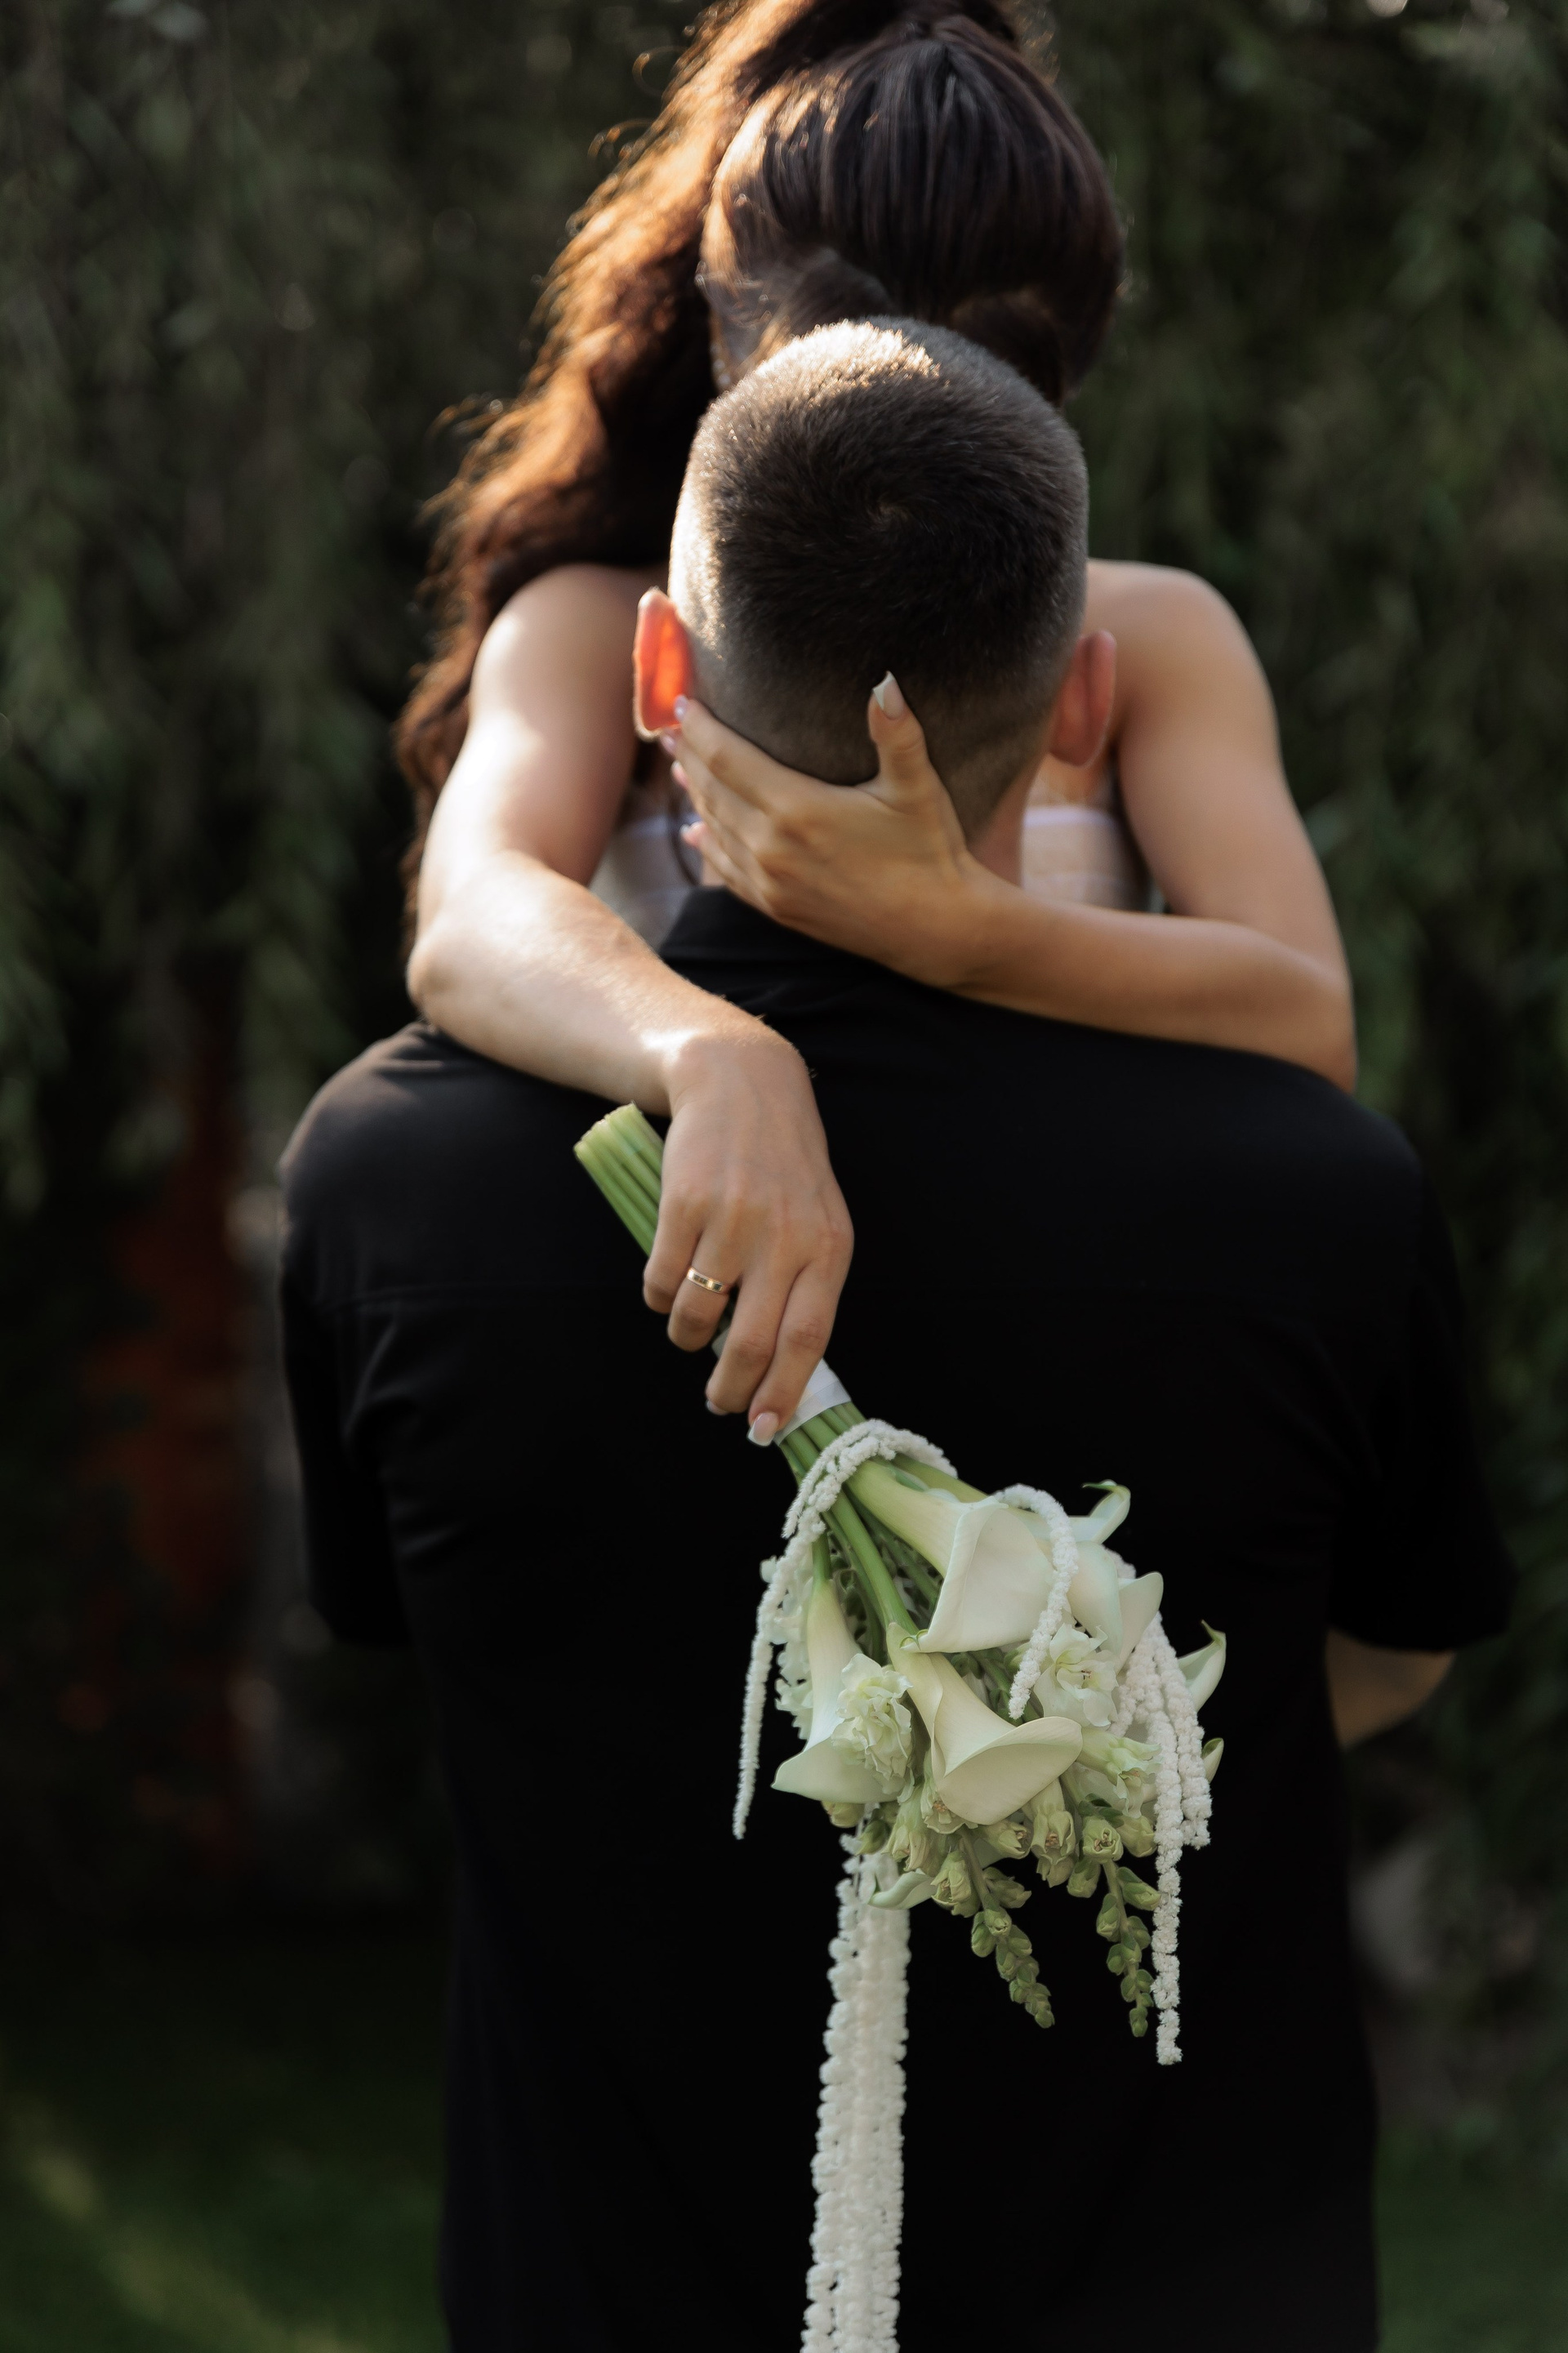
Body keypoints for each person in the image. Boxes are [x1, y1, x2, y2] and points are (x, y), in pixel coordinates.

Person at [281, 321, 1513, 2352]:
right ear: (1087, 705)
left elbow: (433, 1638)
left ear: (659, 676)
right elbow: (1386, 1652)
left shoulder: (384, 1191)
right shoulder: (1329, 1208)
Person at [400, 0, 1356, 1448]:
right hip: (711, 1387)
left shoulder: (1156, 640)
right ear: (726, 349)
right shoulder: (593, 628)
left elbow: (1307, 1016)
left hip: (1051, 1347)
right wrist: (711, 1052)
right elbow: (469, 920)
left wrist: (963, 930)